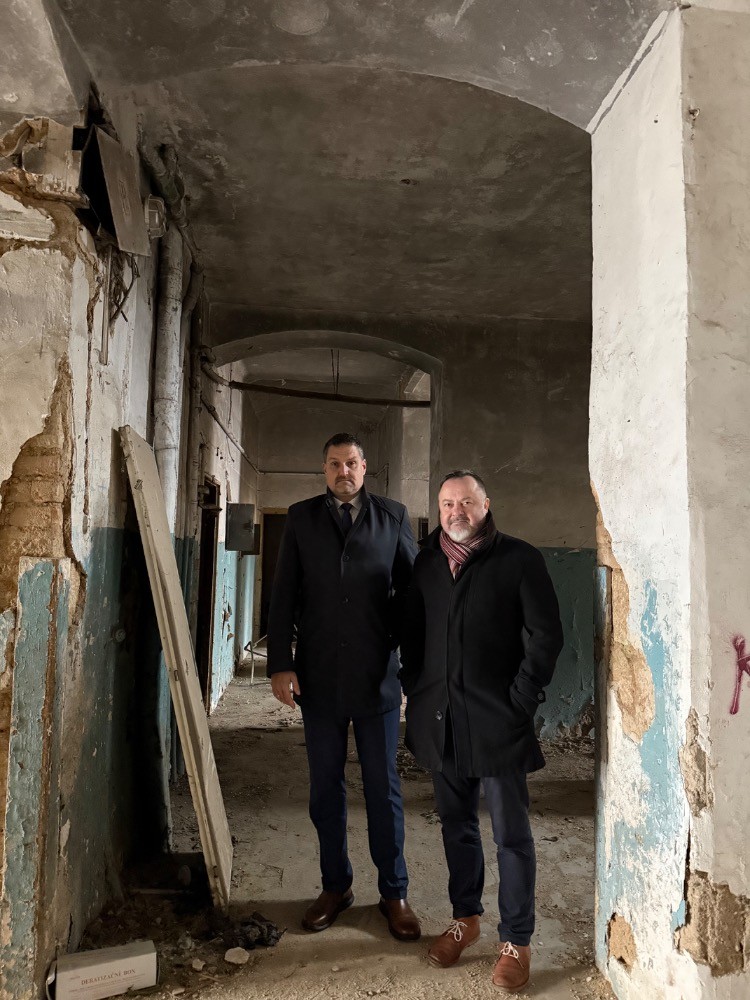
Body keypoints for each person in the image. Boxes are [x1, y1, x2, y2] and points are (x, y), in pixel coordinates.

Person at [400, 470, 563, 991]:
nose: (457, 512)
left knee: (511, 835)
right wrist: (414, 686)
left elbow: (546, 635)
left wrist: (521, 700)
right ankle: (465, 919)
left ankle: (515, 940)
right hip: (442, 721)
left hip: (498, 721)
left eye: (466, 502)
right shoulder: (426, 562)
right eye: (448, 503)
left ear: (486, 505)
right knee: (457, 826)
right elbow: (412, 631)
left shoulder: (519, 558)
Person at [267, 432, 421, 941]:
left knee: (383, 787)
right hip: (318, 679)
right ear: (325, 469)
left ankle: (394, 891)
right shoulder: (302, 518)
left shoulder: (393, 517)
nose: (343, 471)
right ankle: (335, 887)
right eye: (334, 463)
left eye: (351, 462)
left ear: (364, 466)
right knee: (325, 788)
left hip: (377, 678)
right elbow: (284, 593)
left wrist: (407, 661)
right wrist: (281, 664)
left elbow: (411, 595)